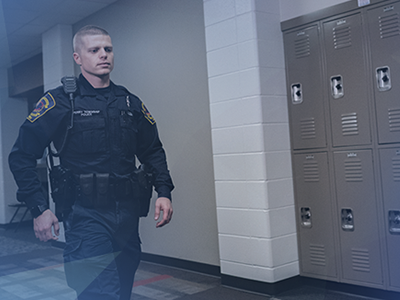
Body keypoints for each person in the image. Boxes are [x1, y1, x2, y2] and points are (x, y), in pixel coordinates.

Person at [8, 25, 174, 300]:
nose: (103, 55)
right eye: (94, 50)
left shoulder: (129, 102)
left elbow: (153, 150)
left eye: (107, 49)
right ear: (77, 58)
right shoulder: (60, 102)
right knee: (98, 292)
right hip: (86, 215)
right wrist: (39, 208)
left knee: (121, 290)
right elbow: (21, 155)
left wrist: (164, 192)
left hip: (127, 216)